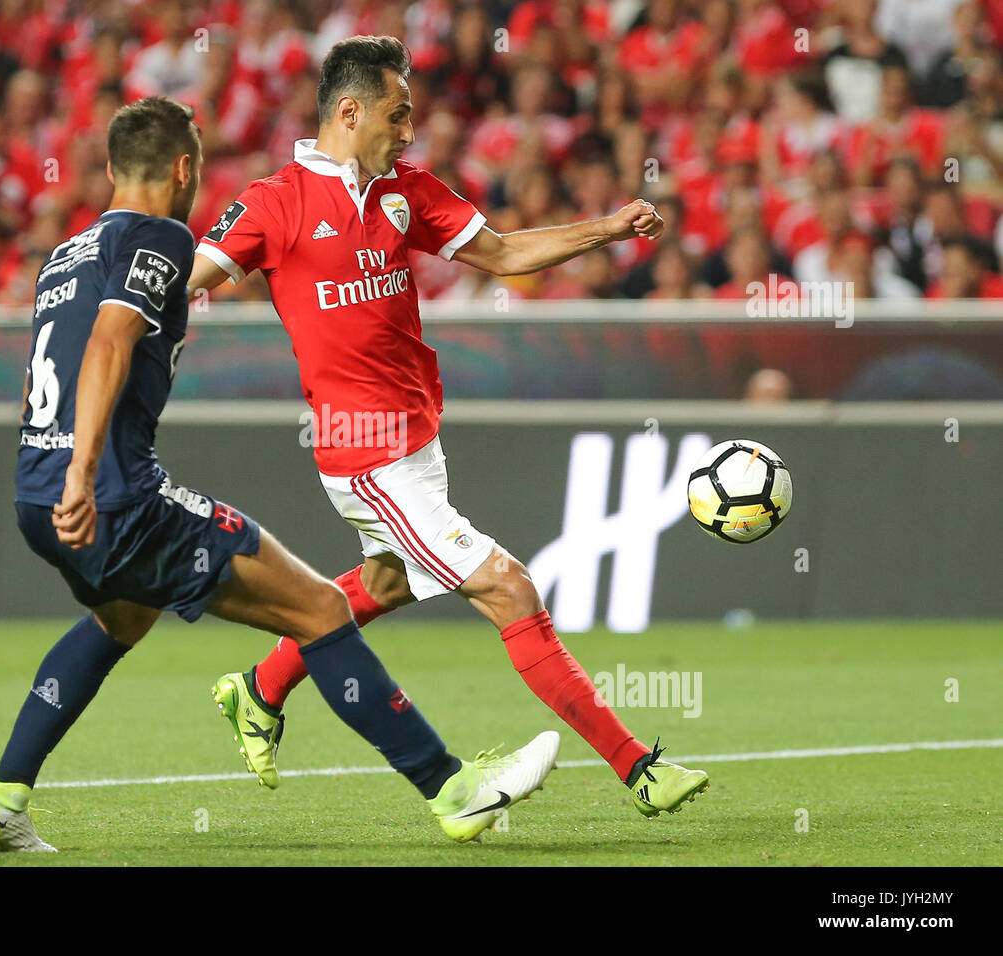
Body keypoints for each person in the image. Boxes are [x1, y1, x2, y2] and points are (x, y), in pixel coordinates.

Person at [0, 96, 560, 852]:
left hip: (33, 489)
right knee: (320, 612)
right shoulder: (161, 239)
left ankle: (3, 795)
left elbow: (48, 365)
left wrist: (54, 471)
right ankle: (451, 789)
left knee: (122, 616)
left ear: (111, 170)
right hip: (108, 492)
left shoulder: (66, 254)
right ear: (185, 170)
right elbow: (110, 341)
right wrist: (85, 472)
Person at [191, 36, 708, 818]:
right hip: (363, 456)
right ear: (350, 111)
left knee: (386, 583)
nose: (407, 133)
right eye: (397, 118)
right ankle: (639, 767)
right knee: (507, 585)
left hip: (417, 439)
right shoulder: (274, 203)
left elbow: (501, 254)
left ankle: (258, 689)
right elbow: (187, 279)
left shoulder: (405, 191)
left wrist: (605, 229)